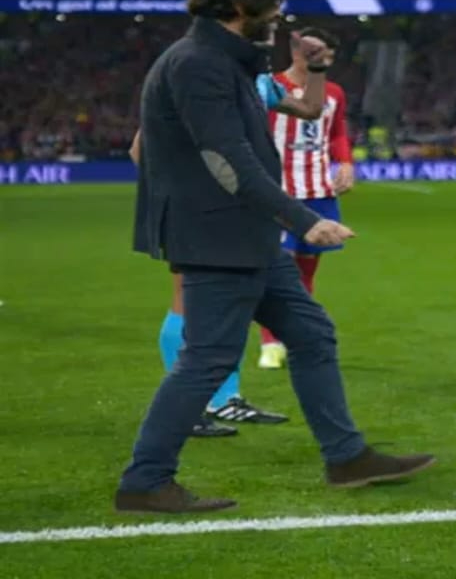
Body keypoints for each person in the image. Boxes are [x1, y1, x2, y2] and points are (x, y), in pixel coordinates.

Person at [117, 0, 432, 514]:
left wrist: (308, 68)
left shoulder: (220, 61)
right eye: (273, 1)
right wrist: (305, 219)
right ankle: (145, 481)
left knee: (311, 333)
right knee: (208, 360)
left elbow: (295, 113)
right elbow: (227, 159)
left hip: (245, 234)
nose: (281, 12)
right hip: (220, 235)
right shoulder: (198, 64)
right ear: (241, 6)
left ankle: (347, 456)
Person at [127, 31, 332, 436]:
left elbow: (310, 108)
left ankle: (224, 401)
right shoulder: (197, 76)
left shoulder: (257, 83)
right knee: (188, 300)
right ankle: (191, 412)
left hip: (240, 213)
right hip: (200, 214)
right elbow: (140, 149)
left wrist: (317, 69)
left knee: (231, 307)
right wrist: (184, 195)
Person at [257, 26, 355, 370]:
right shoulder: (270, 87)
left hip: (317, 190)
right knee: (276, 268)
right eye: (315, 53)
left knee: (306, 272)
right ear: (296, 50)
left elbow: (338, 132)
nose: (320, 61)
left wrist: (345, 162)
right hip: (279, 189)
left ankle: (293, 336)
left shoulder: (334, 94)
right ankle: (270, 342)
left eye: (325, 56)